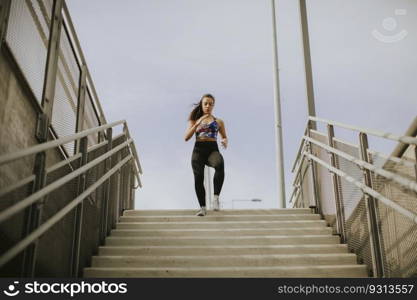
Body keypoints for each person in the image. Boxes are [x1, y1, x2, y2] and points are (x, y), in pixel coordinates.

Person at [184, 94, 228, 216]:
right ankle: (202, 208)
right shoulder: (194, 120)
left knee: (220, 164)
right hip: (198, 150)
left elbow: (224, 136)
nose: (208, 106)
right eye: (206, 104)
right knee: (198, 178)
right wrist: (197, 123)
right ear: (202, 105)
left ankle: (215, 198)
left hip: (212, 149)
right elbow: (186, 137)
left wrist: (224, 141)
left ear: (213, 105)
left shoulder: (218, 121)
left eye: (210, 104)